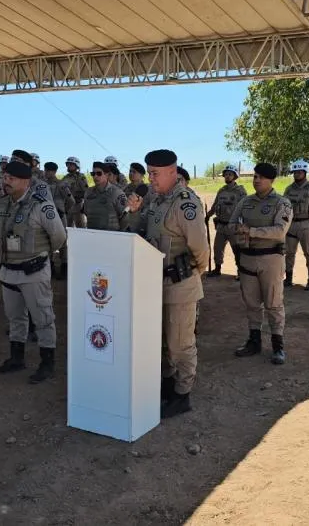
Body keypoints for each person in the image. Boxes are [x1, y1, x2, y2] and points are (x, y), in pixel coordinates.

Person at [125, 149, 209, 418]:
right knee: (161, 340)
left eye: (155, 174)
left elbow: (201, 249)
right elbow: (142, 231)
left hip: (180, 283)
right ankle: (167, 385)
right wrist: (135, 212)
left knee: (180, 344)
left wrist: (191, 275)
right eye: (149, 173)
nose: (150, 179)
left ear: (172, 172)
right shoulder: (156, 200)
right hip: (154, 282)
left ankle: (182, 395)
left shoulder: (185, 204)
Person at [0, 160, 67, 383]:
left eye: (11, 179)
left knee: (43, 318)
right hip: (9, 271)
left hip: (34, 271)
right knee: (15, 318)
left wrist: (42, 255)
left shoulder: (41, 206)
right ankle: (17, 359)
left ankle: (47, 363)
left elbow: (59, 237)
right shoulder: (2, 205)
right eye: (5, 178)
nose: (6, 182)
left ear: (26, 182)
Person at [230, 163, 293, 364]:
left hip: (271, 259)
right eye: (255, 176)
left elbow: (279, 231)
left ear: (271, 180)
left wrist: (251, 231)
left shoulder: (281, 203)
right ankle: (254, 341)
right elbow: (232, 224)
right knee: (251, 303)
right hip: (247, 259)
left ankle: (278, 346)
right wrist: (238, 231)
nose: (256, 180)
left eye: (261, 177)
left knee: (273, 303)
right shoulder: (245, 202)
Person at [283, 160, 309, 290]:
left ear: (305, 173)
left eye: (299, 172)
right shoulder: (289, 189)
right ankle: (288, 278)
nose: (297, 174)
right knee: (289, 253)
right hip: (291, 225)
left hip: (307, 224)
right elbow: (284, 207)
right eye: (295, 172)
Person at [206, 164, 247, 278]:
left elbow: (245, 207)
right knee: (217, 248)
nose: (227, 176)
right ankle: (217, 269)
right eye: (226, 174)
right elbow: (215, 205)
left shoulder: (240, 191)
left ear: (235, 176)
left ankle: (240, 271)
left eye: (230, 174)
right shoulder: (221, 191)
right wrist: (208, 215)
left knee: (237, 250)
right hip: (221, 225)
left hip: (234, 226)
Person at [43, 161, 74, 279]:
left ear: (54, 172)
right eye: (45, 170)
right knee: (47, 241)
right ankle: (50, 267)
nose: (46, 173)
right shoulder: (43, 185)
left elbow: (71, 201)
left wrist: (63, 210)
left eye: (48, 171)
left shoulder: (61, 184)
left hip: (60, 217)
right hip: (47, 217)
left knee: (63, 242)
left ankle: (64, 267)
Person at [83, 161, 127, 230]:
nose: (95, 176)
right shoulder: (88, 192)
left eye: (99, 173)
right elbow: (86, 212)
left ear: (107, 175)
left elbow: (125, 216)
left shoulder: (116, 192)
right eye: (93, 174)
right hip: (92, 233)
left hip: (112, 234)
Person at [63, 156, 88, 228]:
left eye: (71, 164)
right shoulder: (65, 177)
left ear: (76, 166)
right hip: (67, 207)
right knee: (67, 228)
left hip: (78, 207)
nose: (69, 166)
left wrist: (84, 205)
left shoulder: (81, 177)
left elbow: (86, 191)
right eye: (68, 164)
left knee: (81, 228)